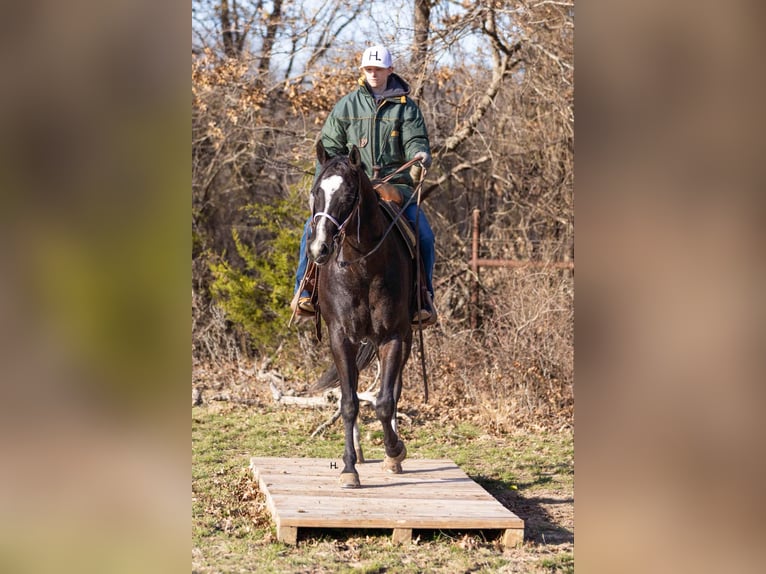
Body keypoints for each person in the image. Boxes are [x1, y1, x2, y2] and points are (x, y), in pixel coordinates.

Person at [291, 45, 436, 325]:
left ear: (389, 71)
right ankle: (304, 290)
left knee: (425, 236)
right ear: (362, 71)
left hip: (395, 188)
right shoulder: (346, 105)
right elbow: (329, 149)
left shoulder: (406, 108)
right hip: (354, 190)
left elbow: (415, 141)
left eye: (378, 69)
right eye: (368, 69)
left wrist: (419, 155)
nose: (373, 73)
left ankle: (423, 298)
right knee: (311, 230)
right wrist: (320, 187)